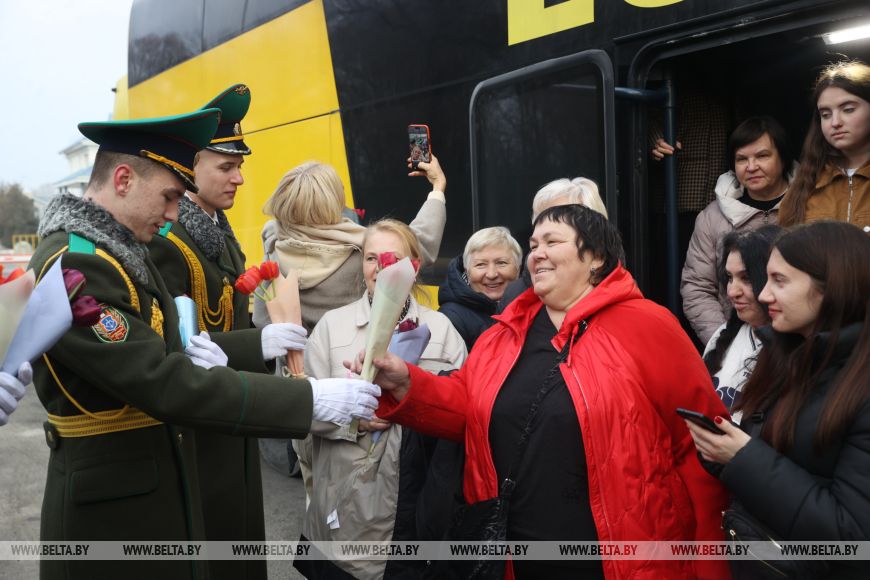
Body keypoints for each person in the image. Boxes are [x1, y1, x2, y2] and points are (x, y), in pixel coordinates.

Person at [28, 111, 379, 580]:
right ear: (124, 179)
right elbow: (160, 379)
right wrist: (309, 398)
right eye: (170, 195)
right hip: (112, 509)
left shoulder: (118, 250)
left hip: (148, 485)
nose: (176, 212)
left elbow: (177, 346)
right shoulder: (77, 262)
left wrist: (250, 345)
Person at [361, 205, 731, 579]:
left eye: (552, 241)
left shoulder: (648, 326)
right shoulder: (500, 337)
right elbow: (467, 408)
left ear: (597, 257)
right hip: (514, 557)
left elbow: (701, 446)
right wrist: (405, 382)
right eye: (534, 244)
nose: (537, 252)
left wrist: (708, 560)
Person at [148, 84, 305, 580]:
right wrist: (256, 344)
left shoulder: (218, 231)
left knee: (241, 539)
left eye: (240, 165)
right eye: (225, 167)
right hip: (200, 423)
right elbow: (172, 348)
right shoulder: (169, 242)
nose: (239, 177)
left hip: (234, 413)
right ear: (189, 169)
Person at [685, 221, 870, 579]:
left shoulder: (859, 383)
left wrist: (744, 457)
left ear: (831, 287)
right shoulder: (787, 357)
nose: (763, 295)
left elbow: (853, 537)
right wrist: (722, 454)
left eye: (780, 281)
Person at [252, 155, 448, 477]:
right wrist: (437, 189)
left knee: (319, 478)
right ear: (333, 204)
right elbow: (418, 246)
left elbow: (263, 323)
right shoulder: (359, 250)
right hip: (356, 377)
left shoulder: (273, 253)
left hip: (307, 393)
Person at [295, 218, 467, 580]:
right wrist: (351, 419)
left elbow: (463, 412)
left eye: (392, 258)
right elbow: (300, 413)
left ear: (414, 267)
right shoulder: (332, 327)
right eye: (371, 258)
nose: (380, 268)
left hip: (415, 504)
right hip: (347, 511)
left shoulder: (441, 330)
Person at [682, 116, 796, 344]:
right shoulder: (711, 218)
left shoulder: (813, 206)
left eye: (762, 156)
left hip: (800, 342)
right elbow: (697, 288)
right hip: (735, 339)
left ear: (783, 158)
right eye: (741, 159)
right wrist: (727, 342)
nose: (751, 167)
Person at [779, 60, 870, 231]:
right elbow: (784, 252)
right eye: (826, 114)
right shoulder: (806, 183)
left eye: (848, 109)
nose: (835, 122)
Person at [702, 225, 780, 423]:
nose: (732, 292)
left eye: (746, 278)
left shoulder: (796, 347)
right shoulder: (724, 335)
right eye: (729, 278)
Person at [499, 177, 607, 310]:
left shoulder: (622, 294)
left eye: (567, 216)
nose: (550, 222)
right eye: (543, 217)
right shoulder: (514, 296)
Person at [438, 226, 522, 351]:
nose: (491, 274)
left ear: (518, 269)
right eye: (481, 265)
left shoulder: (536, 306)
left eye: (501, 263)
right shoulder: (450, 318)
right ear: (467, 272)